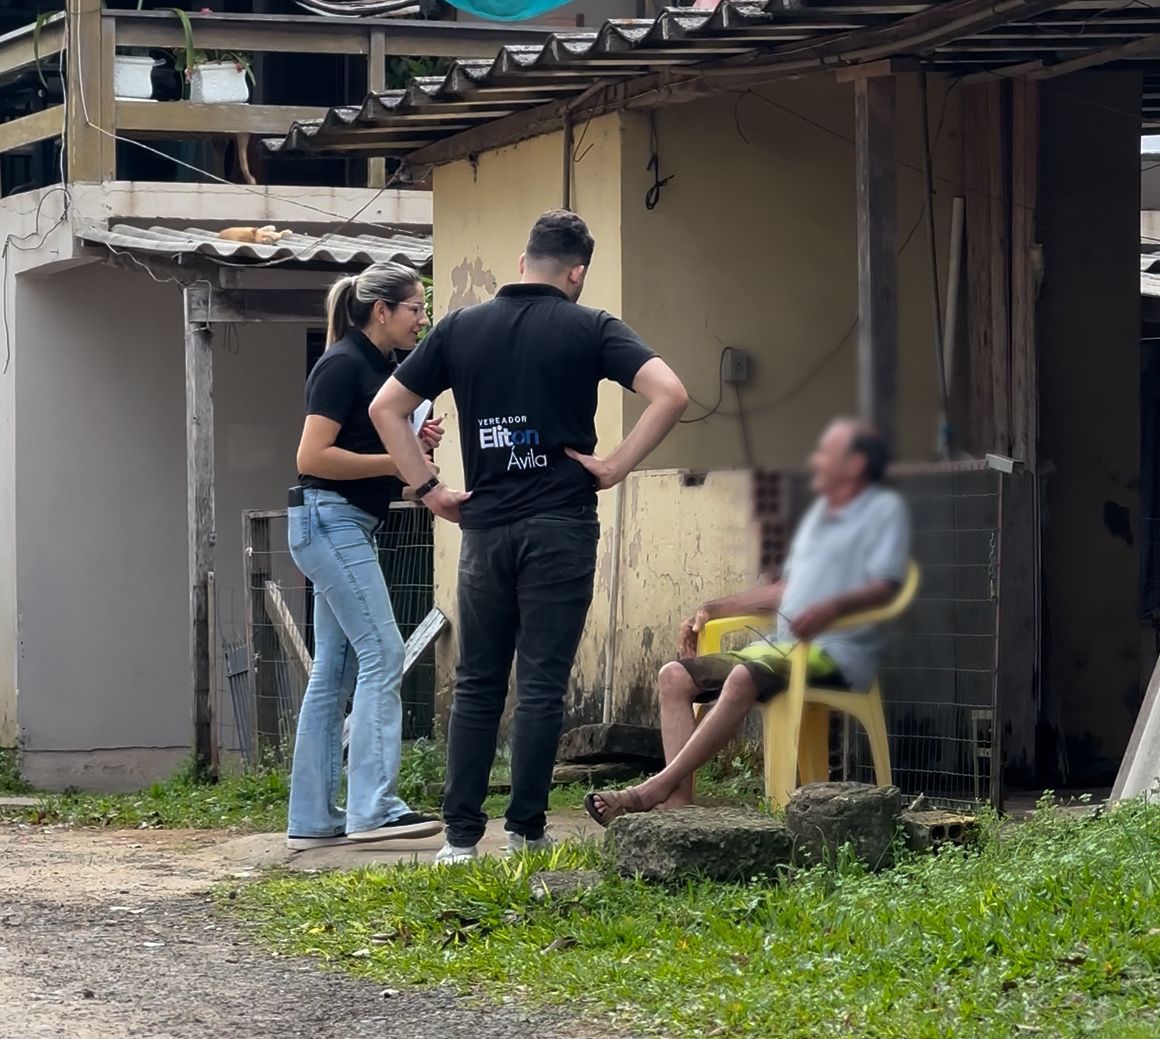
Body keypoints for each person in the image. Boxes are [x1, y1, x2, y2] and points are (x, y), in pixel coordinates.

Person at [369, 210, 689, 864]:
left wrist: (429, 490)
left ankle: (459, 840)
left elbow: (387, 408)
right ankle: (525, 831)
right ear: (575, 273)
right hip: (561, 525)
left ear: (522, 263)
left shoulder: (460, 327)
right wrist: (615, 465)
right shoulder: (592, 326)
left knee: (479, 683)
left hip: (485, 530)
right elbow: (671, 393)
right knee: (542, 682)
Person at [584, 418, 910, 825]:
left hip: (837, 653)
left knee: (741, 676)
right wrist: (711, 608)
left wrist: (832, 608)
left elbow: (889, 587)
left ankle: (651, 789)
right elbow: (784, 590)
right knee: (673, 675)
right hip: (779, 648)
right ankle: (676, 806)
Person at [285, 262, 446, 851]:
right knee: (384, 651)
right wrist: (397, 459)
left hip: (339, 523)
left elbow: (365, 456)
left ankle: (312, 818)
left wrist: (409, 448)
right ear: (382, 311)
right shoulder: (343, 365)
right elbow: (313, 458)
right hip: (329, 521)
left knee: (336, 669)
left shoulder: (380, 370)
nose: (421, 320)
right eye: (414, 309)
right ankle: (373, 808)